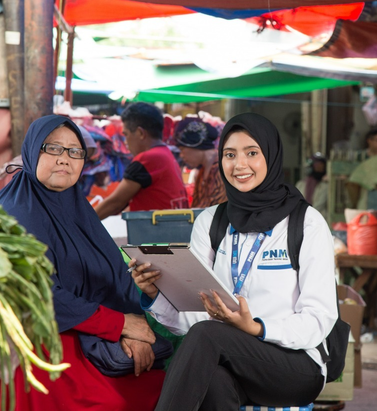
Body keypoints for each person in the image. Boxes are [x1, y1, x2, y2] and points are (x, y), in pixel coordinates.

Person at [131, 113, 337, 410]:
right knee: (211, 379)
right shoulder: (211, 222)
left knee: (209, 337)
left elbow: (319, 320)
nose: (239, 165)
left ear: (271, 155)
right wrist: (155, 293)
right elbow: (196, 319)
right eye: (230, 155)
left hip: (295, 365)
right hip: (229, 358)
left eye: (252, 153)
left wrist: (256, 328)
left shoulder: (305, 223)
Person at [0, 115, 165, 411]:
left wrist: (135, 330)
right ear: (32, 152)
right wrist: (119, 325)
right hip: (42, 344)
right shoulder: (10, 214)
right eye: (53, 148)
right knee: (112, 403)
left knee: (165, 387)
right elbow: (39, 295)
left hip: (94, 337)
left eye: (74, 151)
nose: (64, 159)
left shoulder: (78, 209)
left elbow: (115, 279)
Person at [94, 102, 187, 220]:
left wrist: (79, 227)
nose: (126, 142)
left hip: (158, 234)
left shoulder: (148, 159)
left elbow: (115, 203)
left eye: (126, 135)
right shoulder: (165, 153)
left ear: (140, 133)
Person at [173, 117, 227, 208]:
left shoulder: (222, 170)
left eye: (182, 149)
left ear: (195, 145)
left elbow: (219, 213)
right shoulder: (203, 171)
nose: (181, 155)